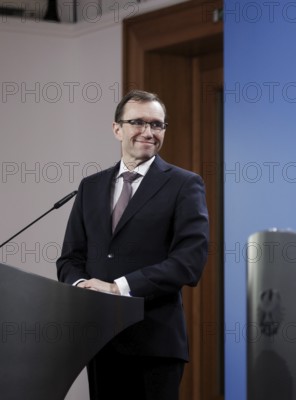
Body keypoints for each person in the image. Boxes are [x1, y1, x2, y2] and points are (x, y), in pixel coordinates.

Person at [57, 89, 209, 400]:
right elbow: (70, 258)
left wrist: (117, 289)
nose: (149, 132)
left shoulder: (184, 184)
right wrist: (84, 285)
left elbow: (188, 262)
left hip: (154, 342)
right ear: (117, 129)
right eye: (138, 122)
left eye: (157, 125)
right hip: (100, 340)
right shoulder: (91, 186)